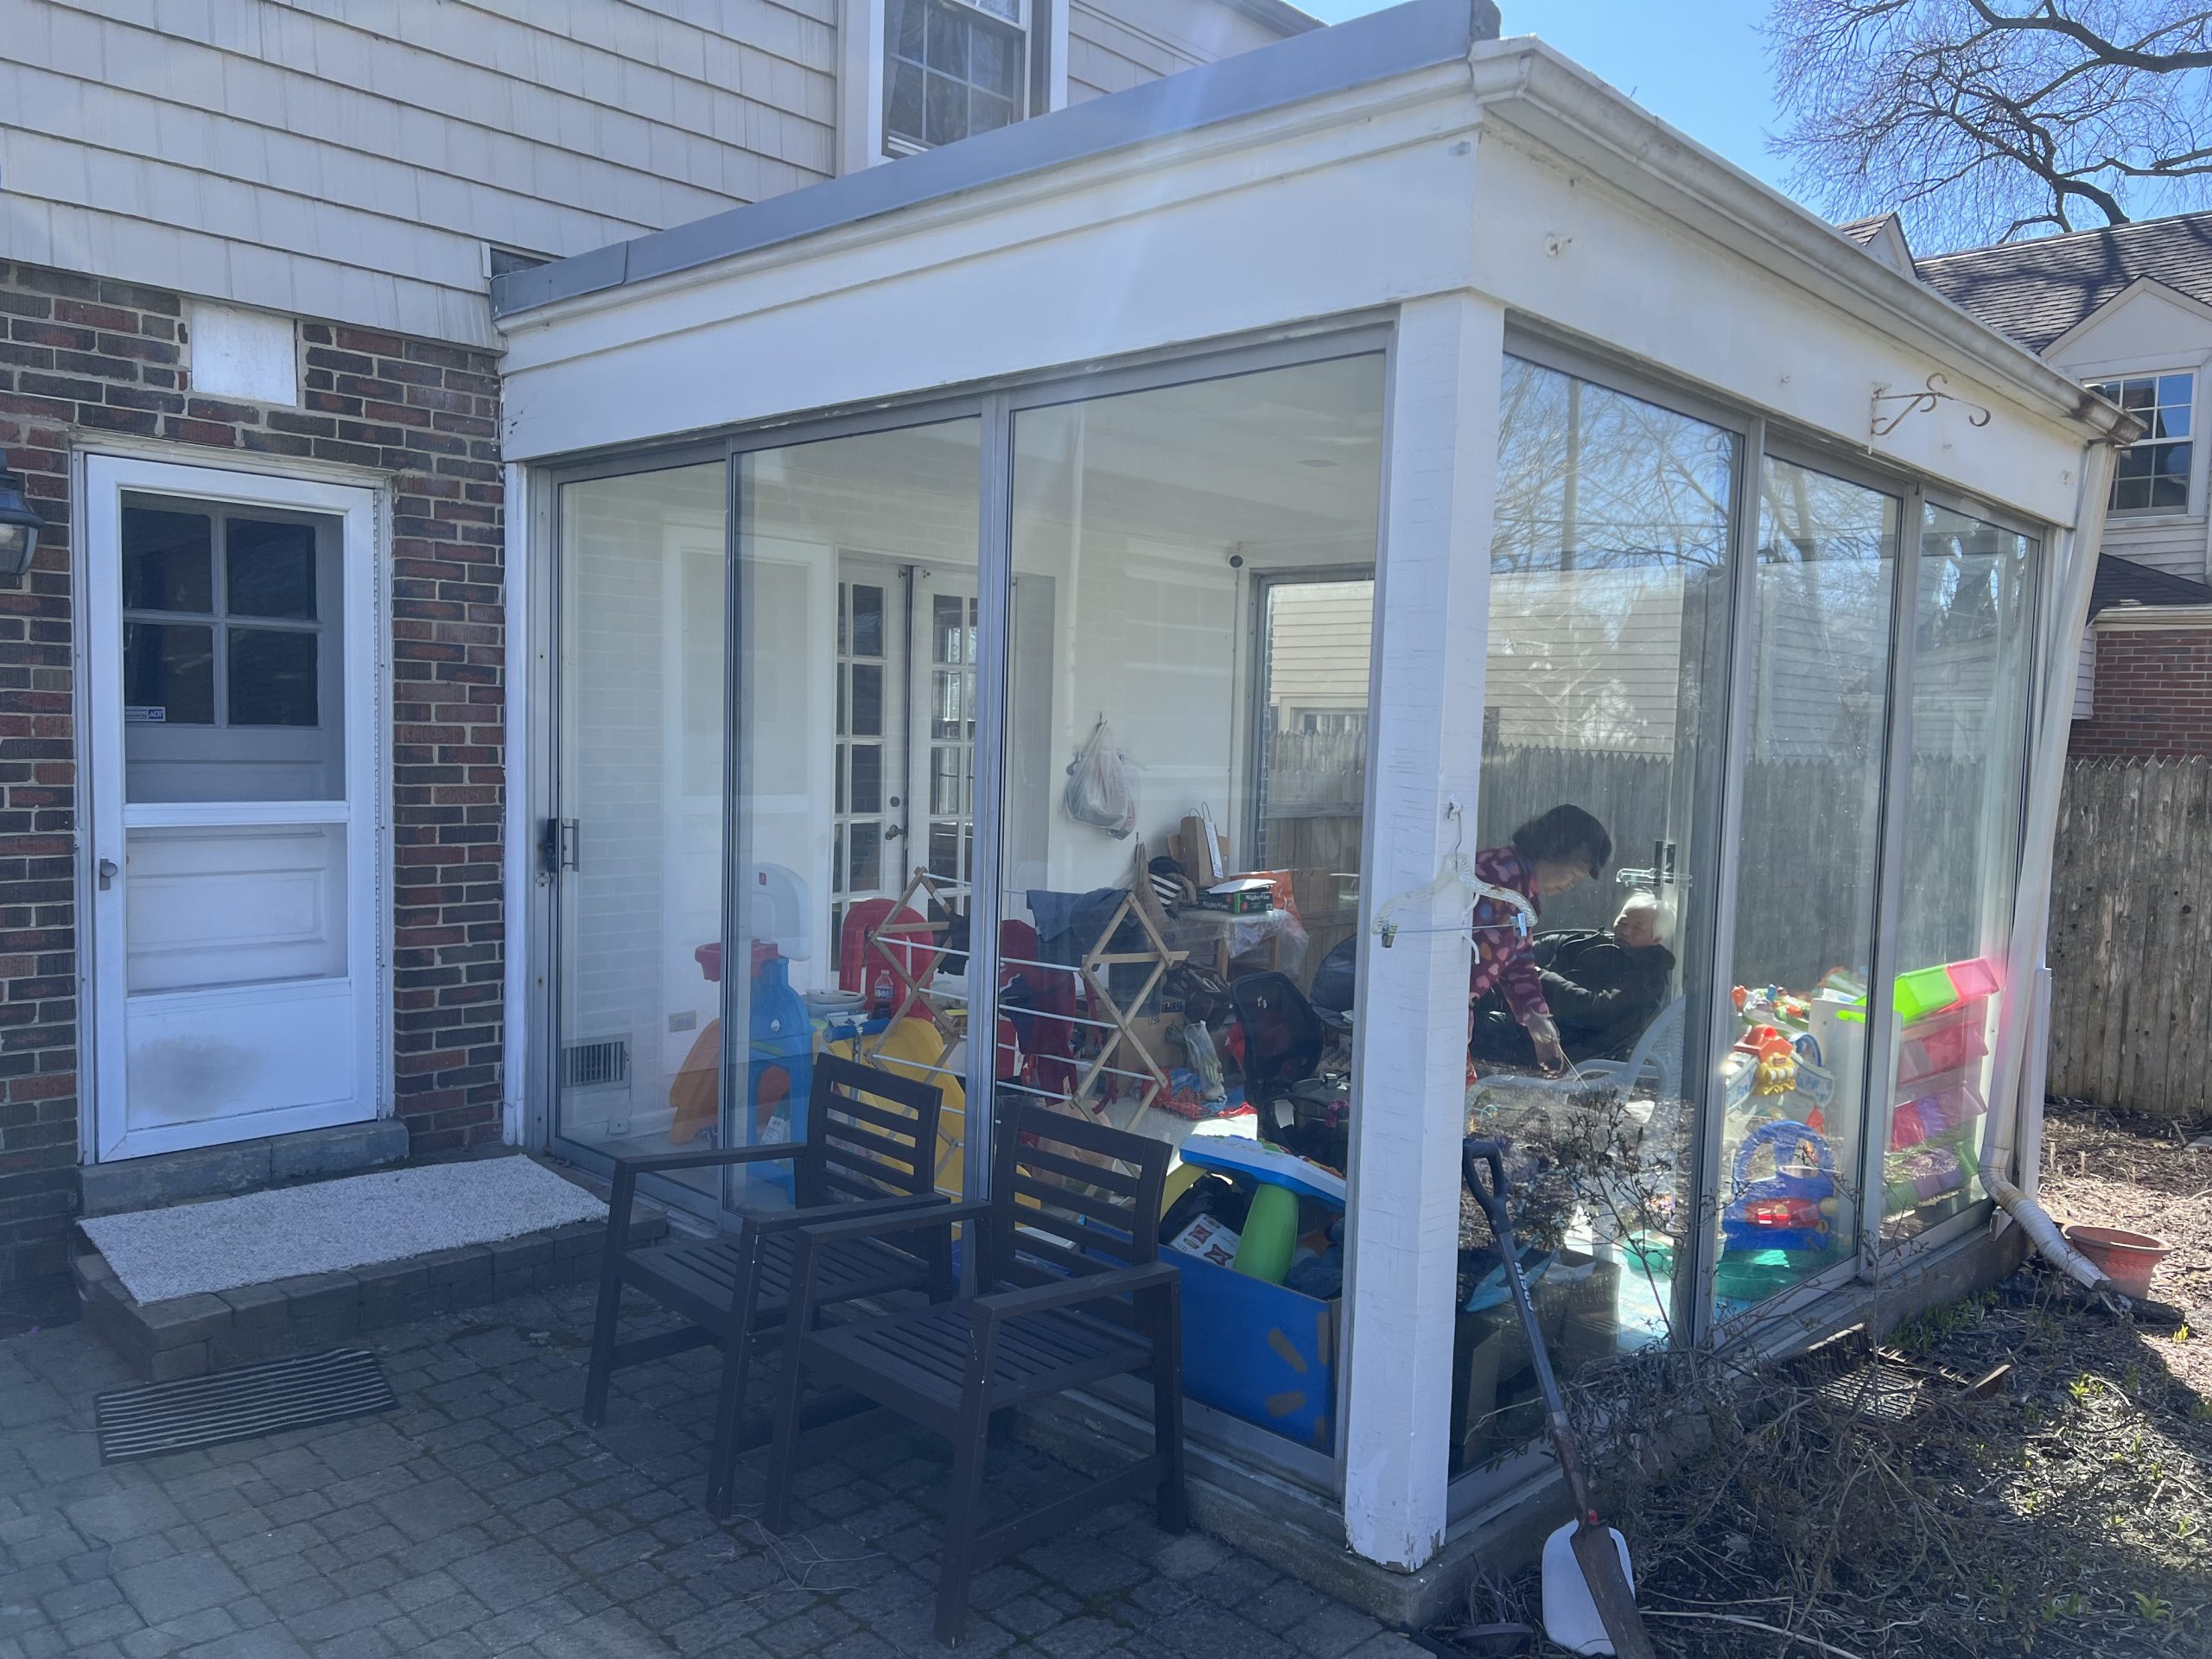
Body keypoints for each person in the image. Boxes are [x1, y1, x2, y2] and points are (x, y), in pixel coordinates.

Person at [1467, 804, 1611, 1075]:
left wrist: (1536, 1018)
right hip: (1434, 1005)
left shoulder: (1524, 895)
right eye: (1576, 872)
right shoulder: (1495, 876)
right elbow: (1457, 945)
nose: (1572, 884)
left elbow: (1517, 961)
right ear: (1555, 849)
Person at [1471, 891, 1675, 1071]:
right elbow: (1545, 946)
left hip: (1562, 1043)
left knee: (1474, 1026)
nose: (1625, 931)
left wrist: (1539, 977)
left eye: (1637, 928)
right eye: (1622, 922)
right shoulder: (1597, 942)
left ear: (1656, 938)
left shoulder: (1649, 976)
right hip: (1534, 1019)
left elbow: (1596, 1009)